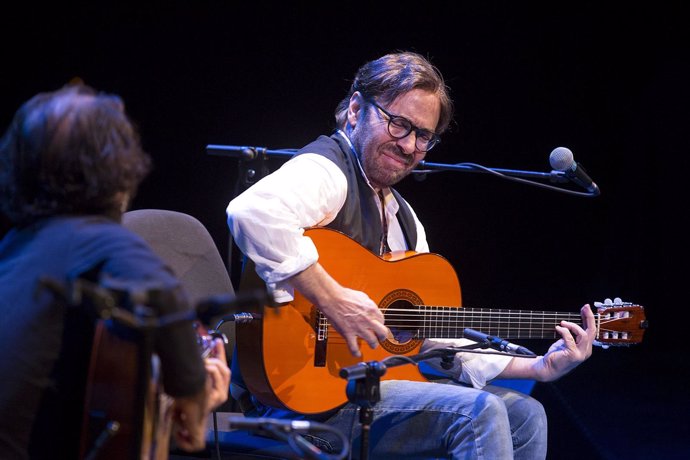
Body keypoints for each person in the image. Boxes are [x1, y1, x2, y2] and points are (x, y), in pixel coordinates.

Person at [226, 51, 596, 459]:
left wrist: (538, 367)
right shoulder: (326, 171)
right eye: (399, 124)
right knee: (479, 413)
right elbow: (252, 212)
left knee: (526, 413)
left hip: (358, 387)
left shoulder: (403, 218)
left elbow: (428, 332)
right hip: (294, 394)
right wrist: (331, 298)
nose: (409, 146)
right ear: (355, 109)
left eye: (423, 136)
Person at [0, 83, 230, 459]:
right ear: (116, 165)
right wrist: (192, 392)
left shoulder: (14, 245)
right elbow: (162, 295)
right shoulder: (101, 241)